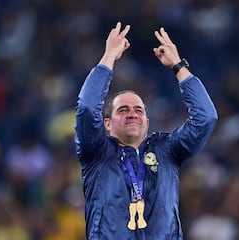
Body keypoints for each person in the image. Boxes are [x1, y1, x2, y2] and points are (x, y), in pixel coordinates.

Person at [75, 22, 218, 239]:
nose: (132, 114)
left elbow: (206, 118)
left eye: (138, 110)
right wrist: (109, 58)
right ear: (107, 124)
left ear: (147, 122)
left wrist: (178, 66)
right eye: (123, 110)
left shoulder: (167, 149)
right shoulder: (96, 151)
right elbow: (87, 107)